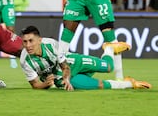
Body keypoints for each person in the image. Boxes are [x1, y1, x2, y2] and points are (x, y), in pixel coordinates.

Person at [20, 26, 151, 90]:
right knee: (99, 85)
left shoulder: (51, 44)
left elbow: (64, 65)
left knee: (109, 67)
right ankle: (130, 83)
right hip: (64, 80)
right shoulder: (25, 60)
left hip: (75, 63)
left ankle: (109, 48)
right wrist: (46, 84)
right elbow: (35, 84)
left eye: (31, 41)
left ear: (40, 40)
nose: (28, 45)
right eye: (25, 42)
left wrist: (65, 77)